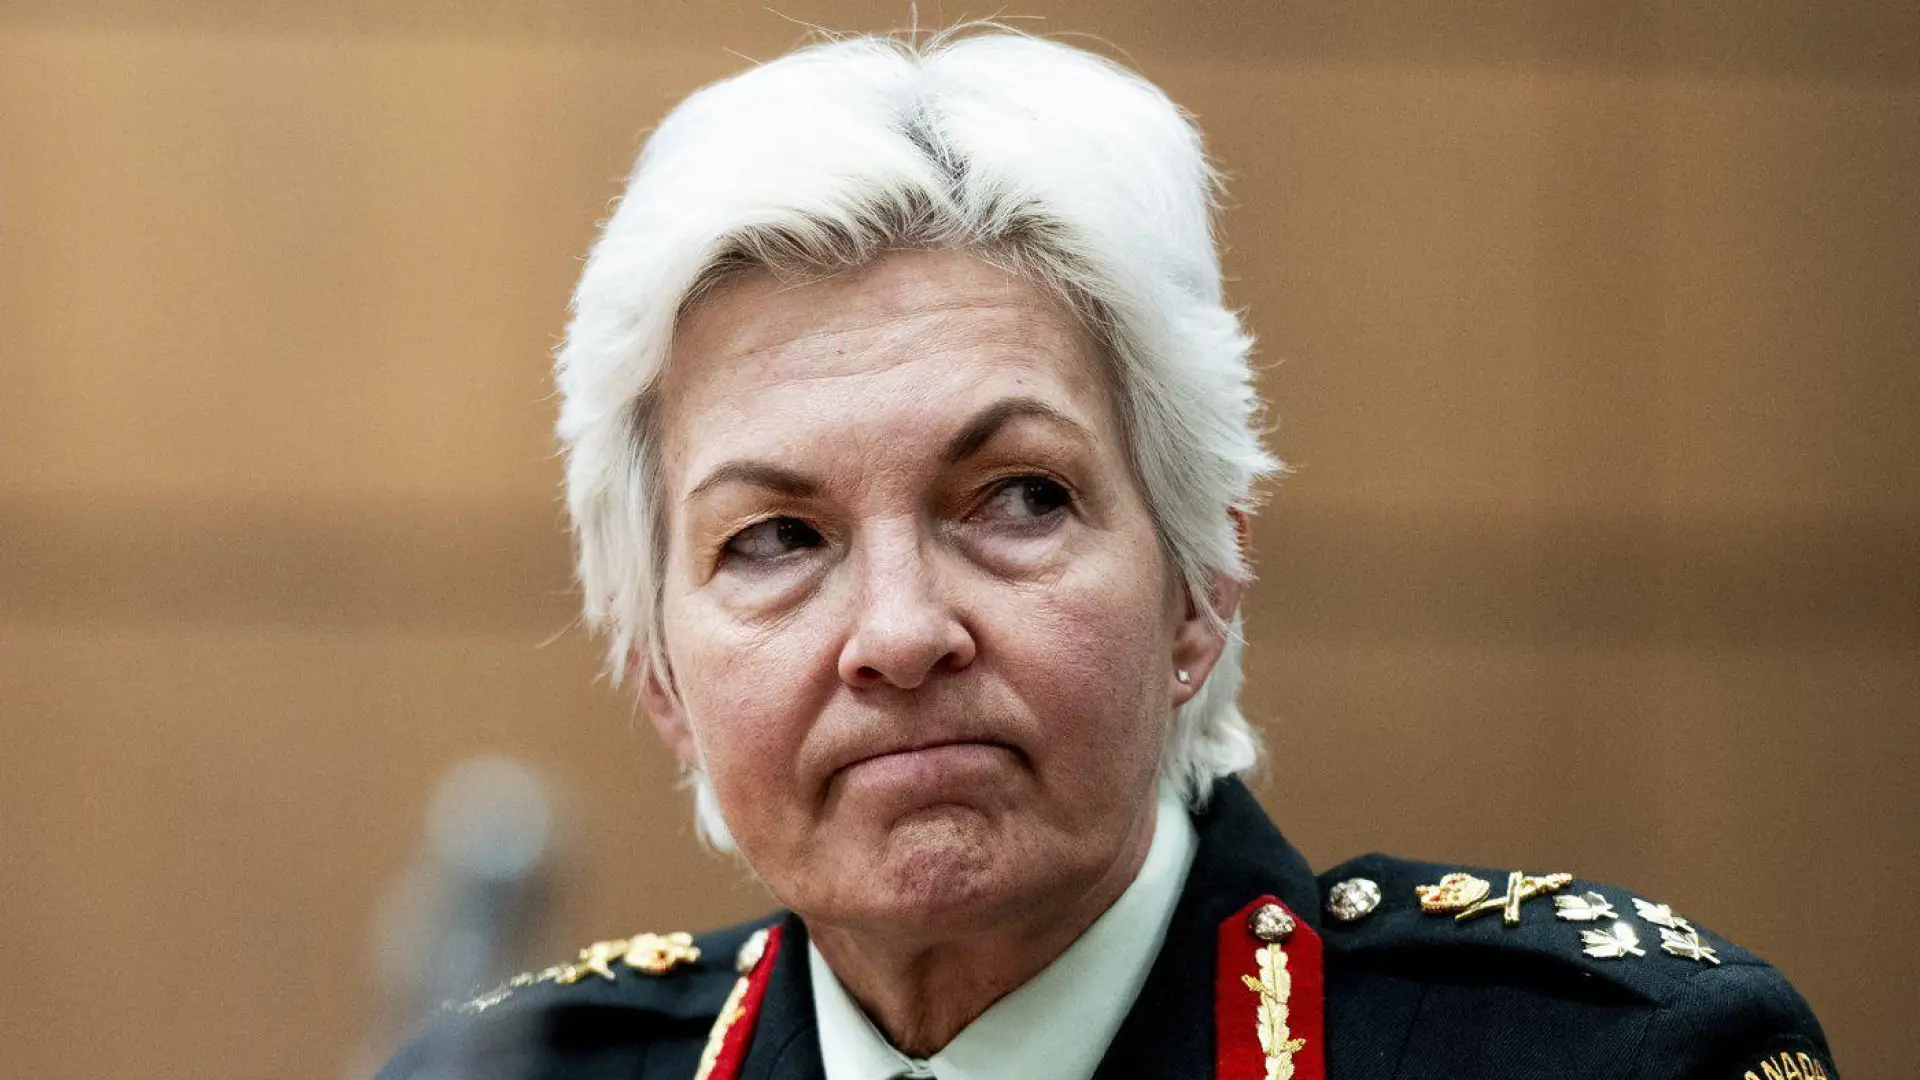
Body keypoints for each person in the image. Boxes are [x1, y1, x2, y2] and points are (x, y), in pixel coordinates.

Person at [377, 27, 1837, 1080]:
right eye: (776, 538)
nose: (901, 632)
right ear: (657, 672)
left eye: (1017, 499)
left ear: (1204, 582)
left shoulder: (1619, 1059)